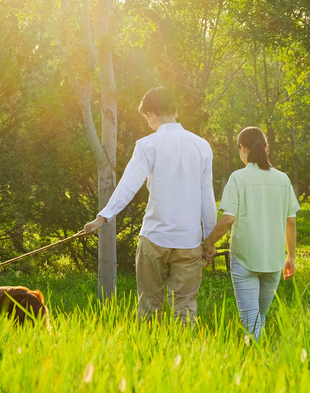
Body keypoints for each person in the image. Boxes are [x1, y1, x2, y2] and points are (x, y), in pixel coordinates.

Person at [80, 87, 216, 324]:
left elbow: (128, 186)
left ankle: (151, 357)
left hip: (154, 239)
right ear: (175, 111)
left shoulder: (147, 145)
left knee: (149, 307)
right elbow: (207, 195)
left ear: (149, 114)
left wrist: (102, 218)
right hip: (189, 240)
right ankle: (184, 358)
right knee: (184, 309)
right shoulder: (202, 146)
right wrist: (210, 240)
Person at [203, 127, 299, 340]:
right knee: (259, 319)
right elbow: (290, 221)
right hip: (273, 261)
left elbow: (228, 219)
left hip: (245, 260)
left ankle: (256, 362)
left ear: (242, 149)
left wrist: (208, 243)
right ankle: (261, 363)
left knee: (252, 322)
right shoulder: (283, 179)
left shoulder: (238, 178)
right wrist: (290, 257)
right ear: (266, 148)